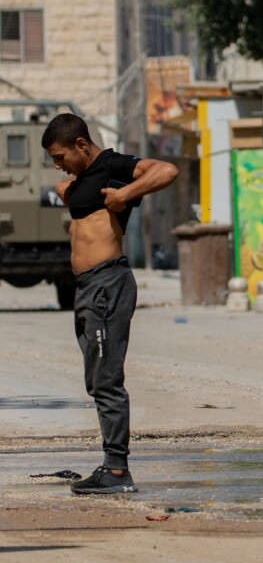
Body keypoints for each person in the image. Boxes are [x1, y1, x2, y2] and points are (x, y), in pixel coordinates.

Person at [41, 113, 178, 494]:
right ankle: (112, 467)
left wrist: (125, 195)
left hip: (108, 283)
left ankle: (117, 471)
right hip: (87, 287)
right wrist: (68, 186)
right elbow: (66, 188)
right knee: (96, 378)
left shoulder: (114, 166)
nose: (57, 164)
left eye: (59, 156)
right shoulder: (84, 178)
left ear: (81, 145)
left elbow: (166, 171)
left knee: (107, 379)